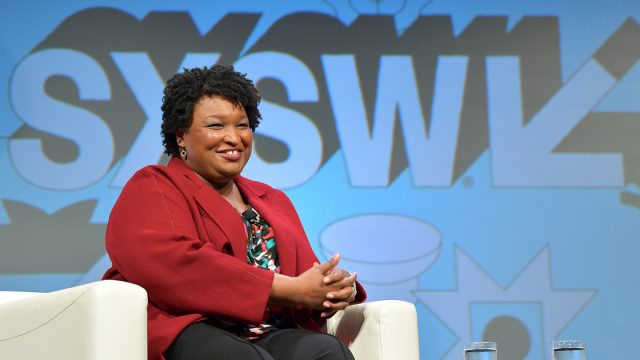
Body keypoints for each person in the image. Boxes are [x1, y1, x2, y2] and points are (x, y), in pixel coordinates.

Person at [102, 64, 365, 360]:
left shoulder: (272, 199)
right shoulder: (154, 186)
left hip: (262, 333)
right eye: (216, 126)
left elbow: (304, 275)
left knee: (327, 352)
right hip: (190, 328)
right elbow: (176, 264)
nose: (234, 137)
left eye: (242, 125)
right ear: (181, 136)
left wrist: (332, 289)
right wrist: (288, 289)